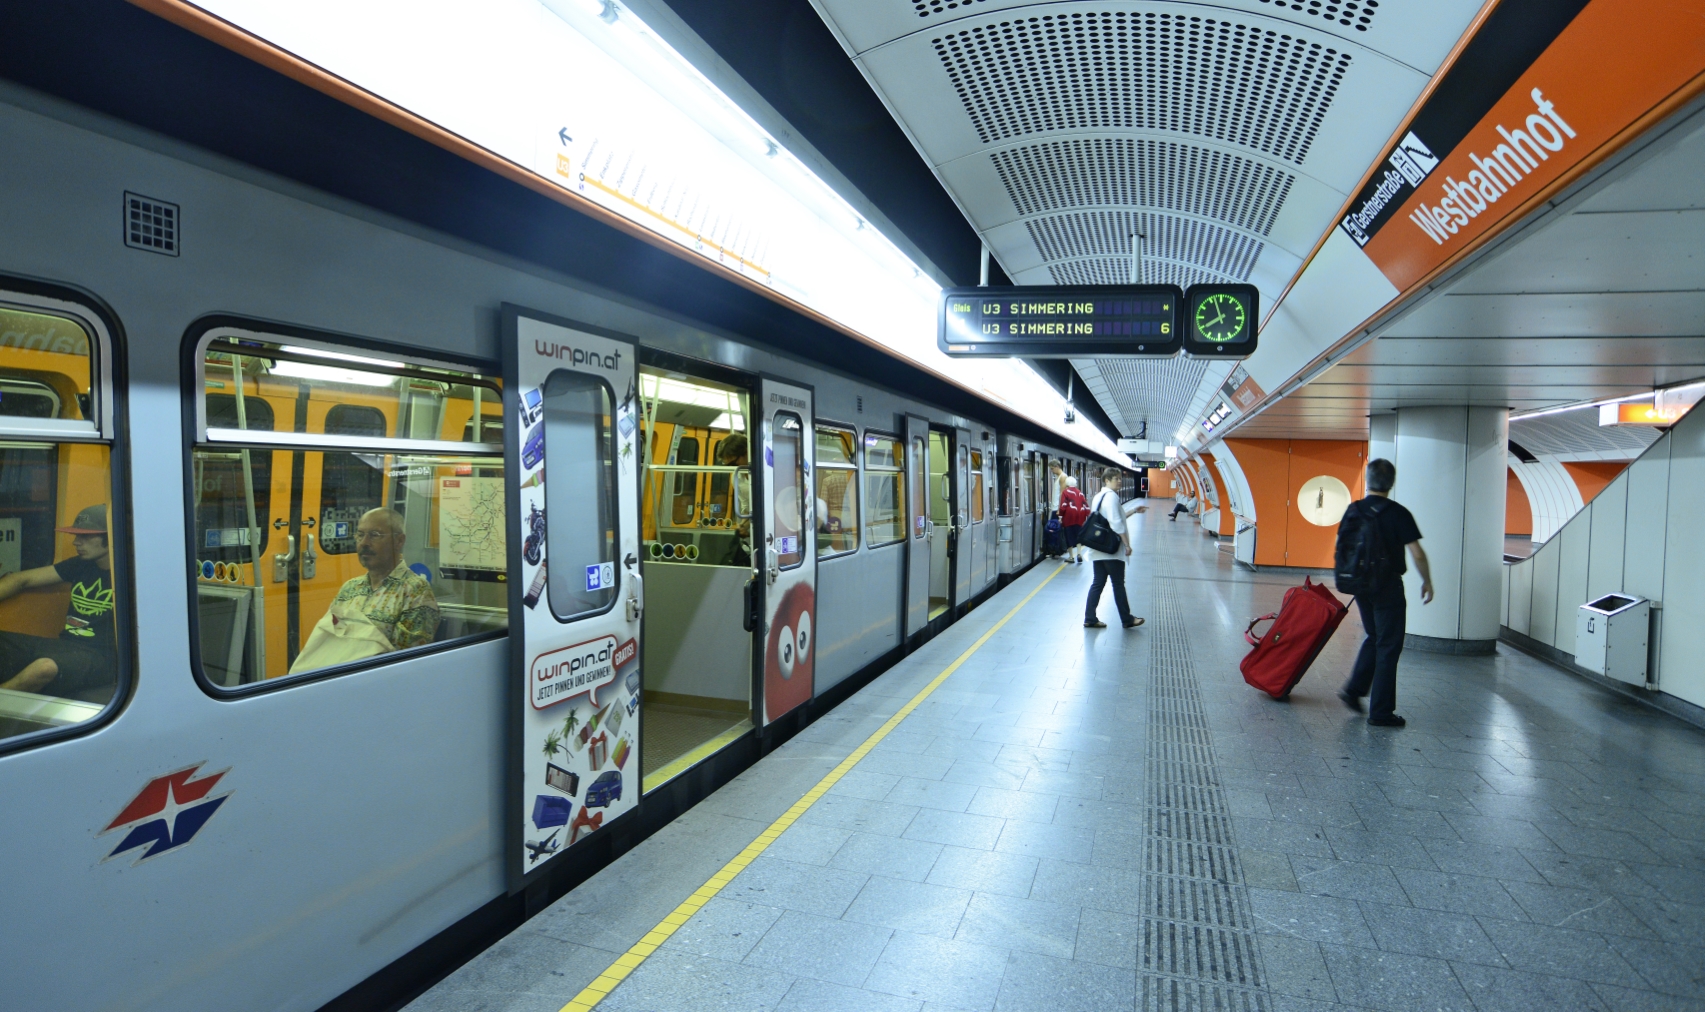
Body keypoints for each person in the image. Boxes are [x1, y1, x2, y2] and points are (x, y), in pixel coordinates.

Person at [1337, 459, 1432, 728]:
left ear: (1367, 481)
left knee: (1375, 636)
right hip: (1387, 586)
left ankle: (1354, 689)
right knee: (1389, 645)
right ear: (1391, 483)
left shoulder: (1353, 509)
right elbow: (1417, 553)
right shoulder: (1398, 513)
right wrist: (1427, 581)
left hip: (1359, 584)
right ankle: (1380, 712)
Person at [0, 504, 118, 701]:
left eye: (86, 537)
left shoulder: (129, 575)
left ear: (111, 536)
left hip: (102, 657)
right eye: (76, 536)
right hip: (67, 644)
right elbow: (20, 580)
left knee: (44, 668)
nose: (76, 542)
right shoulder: (80, 565)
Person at [329, 507, 439, 650]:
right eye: (360, 535)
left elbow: (405, 657)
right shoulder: (349, 588)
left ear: (399, 541)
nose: (364, 543)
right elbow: (328, 636)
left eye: (374, 535)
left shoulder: (414, 591)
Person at [1084, 468, 1147, 628]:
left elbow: (1107, 519)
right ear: (1106, 480)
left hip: (1098, 547)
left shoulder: (1099, 496)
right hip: (1110, 549)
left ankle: (1090, 618)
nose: (1119, 481)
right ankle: (1127, 619)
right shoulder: (1111, 497)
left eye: (1119, 478)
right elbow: (1115, 523)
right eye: (1115, 479)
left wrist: (1133, 511)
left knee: (1098, 583)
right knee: (1118, 583)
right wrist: (1126, 544)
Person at [713, 434, 752, 567]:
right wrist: (743, 525)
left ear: (747, 452)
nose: (733, 467)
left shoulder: (765, 472)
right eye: (728, 465)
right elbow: (747, 507)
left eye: (734, 463)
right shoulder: (737, 477)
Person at [1059, 476, 1089, 563]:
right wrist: (1087, 516)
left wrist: (1061, 516)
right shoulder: (1080, 492)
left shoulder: (1065, 492)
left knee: (1069, 536)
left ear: (1067, 483)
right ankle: (1079, 554)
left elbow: (1063, 506)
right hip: (1080, 517)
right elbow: (1085, 505)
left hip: (1069, 517)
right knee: (1078, 535)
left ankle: (1071, 557)